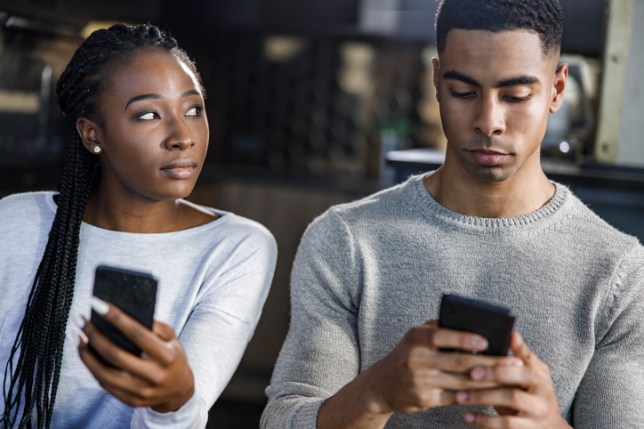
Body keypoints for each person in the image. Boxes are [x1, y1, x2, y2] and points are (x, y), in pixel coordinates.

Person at [261, 0, 644, 427]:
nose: (489, 121)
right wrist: (375, 392)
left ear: (556, 90)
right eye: (464, 92)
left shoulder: (619, 274)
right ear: (438, 80)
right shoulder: (346, 239)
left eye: (515, 96)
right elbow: (283, 419)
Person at [0, 23, 277, 429]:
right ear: (92, 134)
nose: (183, 136)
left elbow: (186, 412)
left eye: (193, 109)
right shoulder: (15, 221)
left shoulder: (238, 247)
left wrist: (173, 398)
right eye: (148, 114)